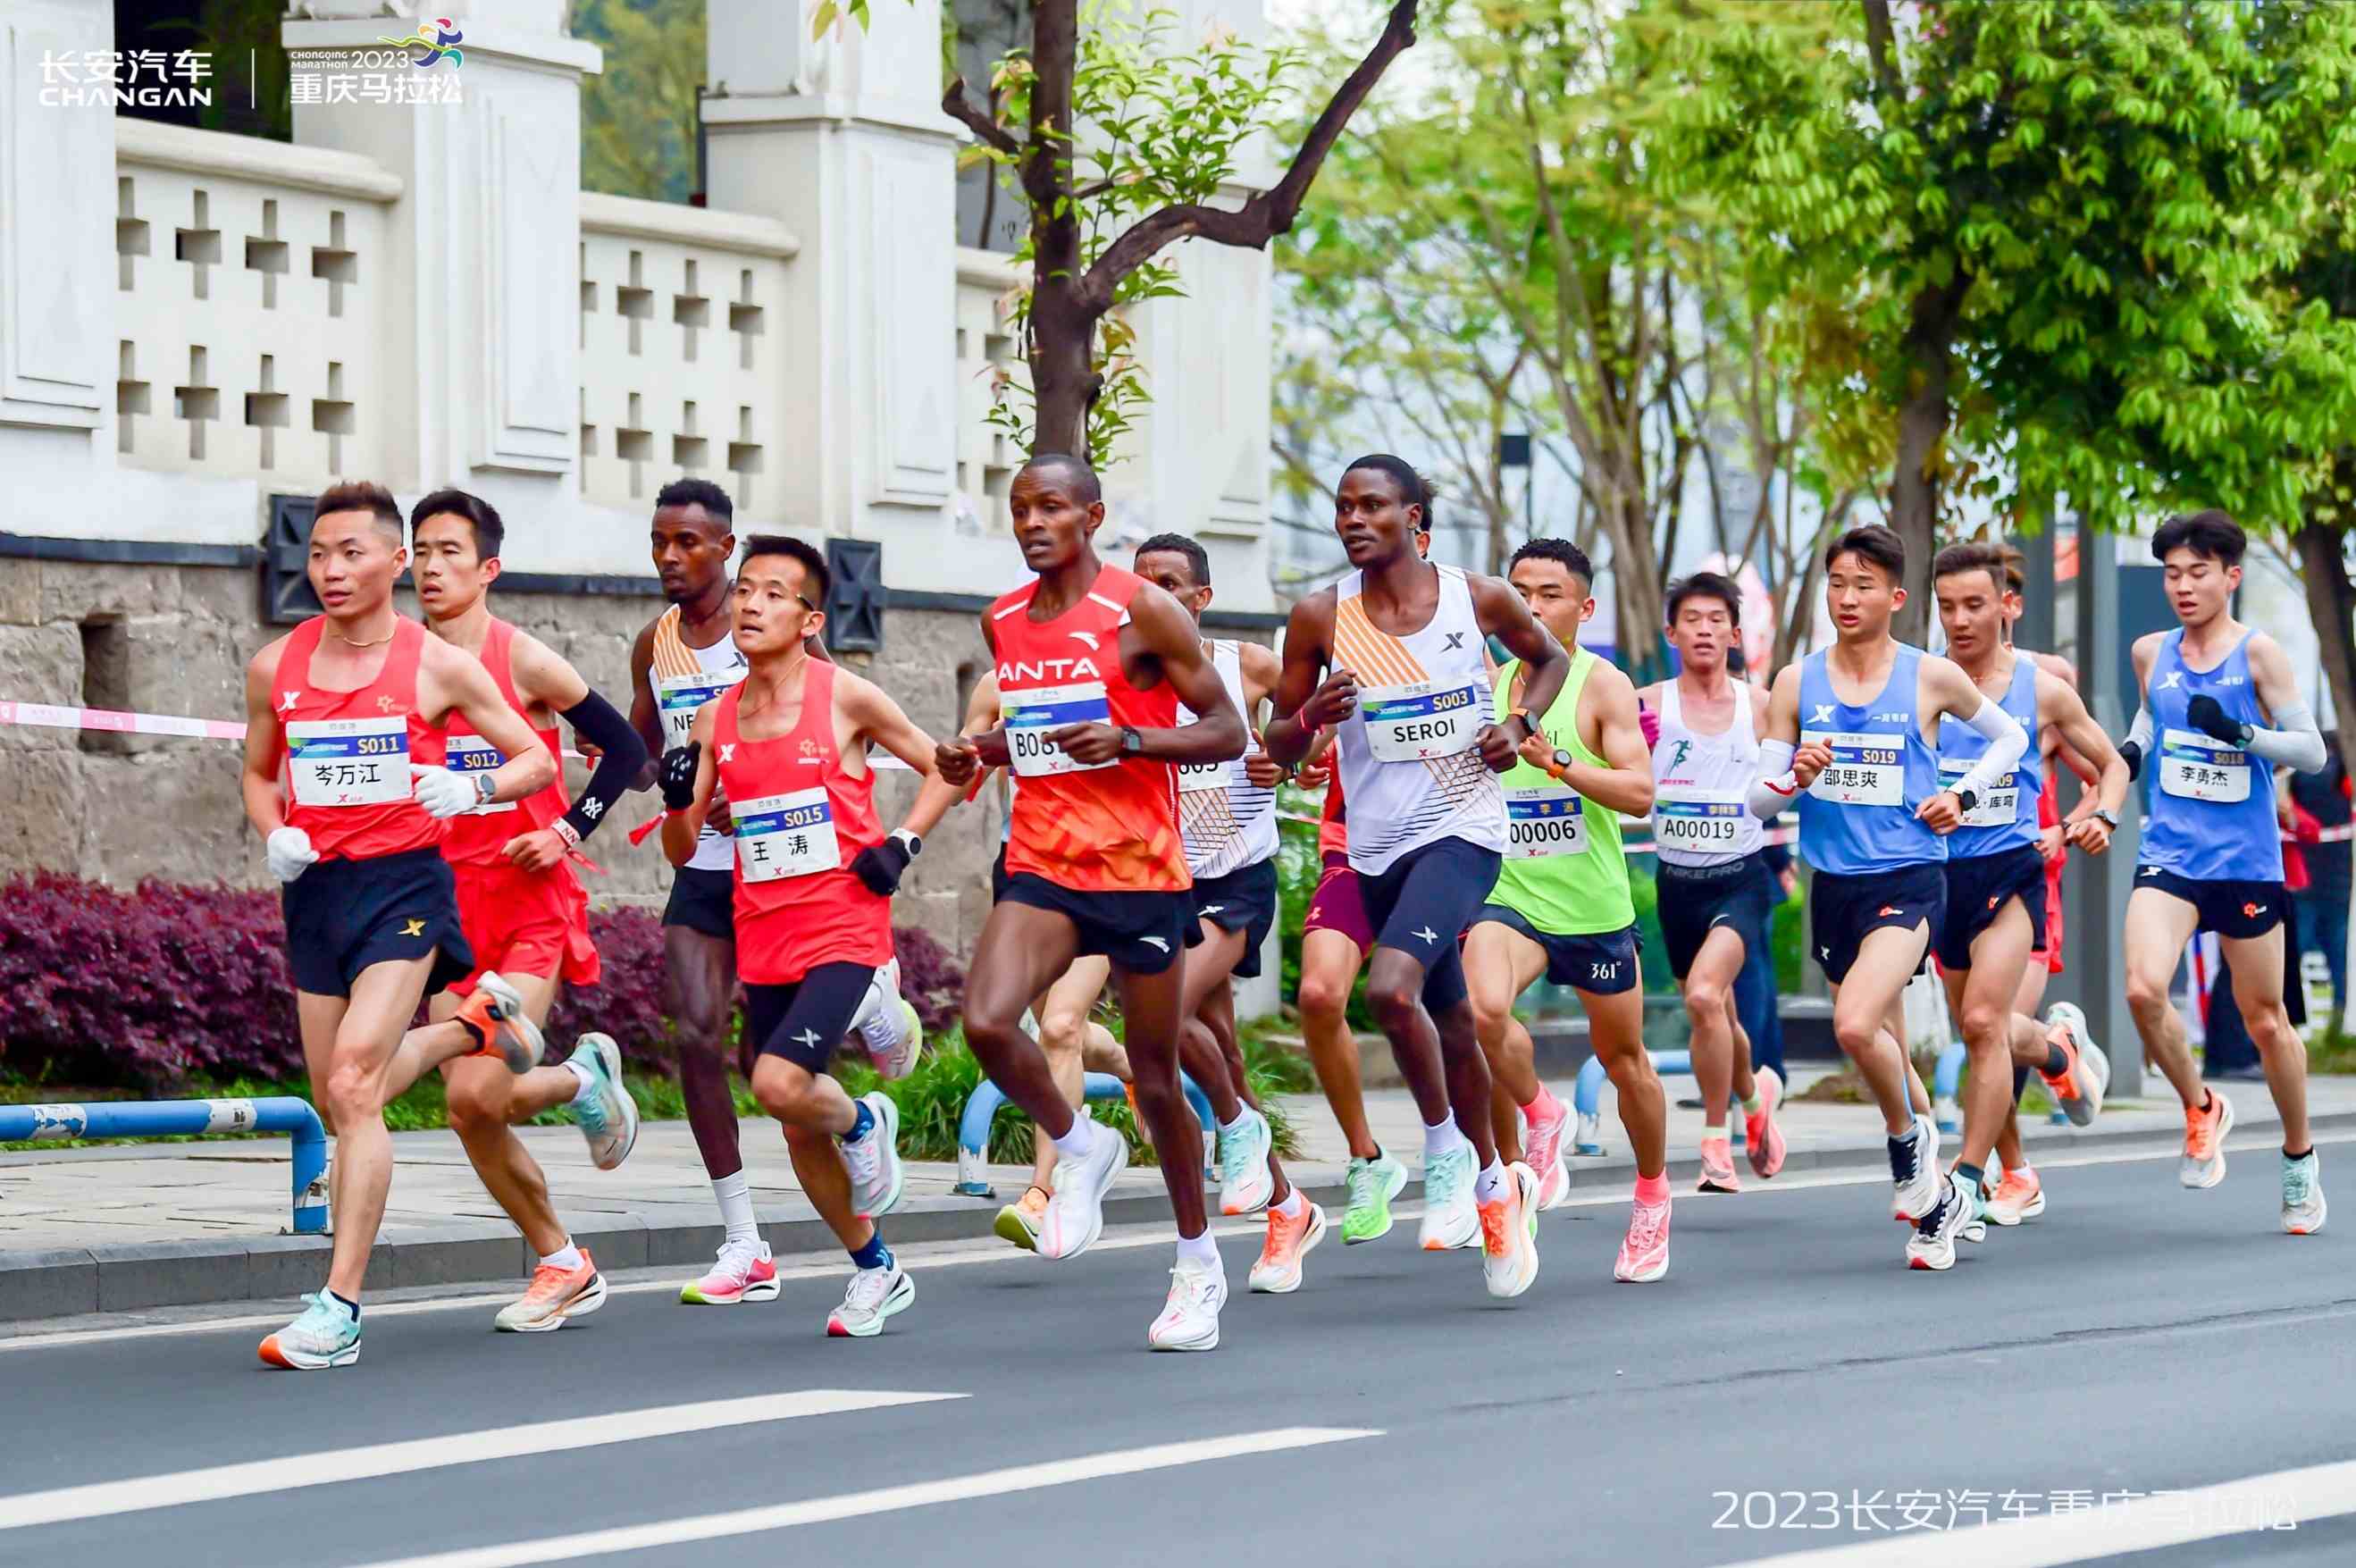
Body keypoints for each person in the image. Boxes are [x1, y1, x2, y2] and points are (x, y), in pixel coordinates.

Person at [935, 454, 1249, 1351]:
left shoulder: (1138, 608)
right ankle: (1078, 1148)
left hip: (1140, 870)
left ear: (1092, 516)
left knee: (1155, 1078)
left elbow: (1226, 729)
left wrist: (1133, 737)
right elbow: (1035, 735)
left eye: (1053, 509)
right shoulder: (1001, 619)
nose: (1034, 523)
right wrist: (981, 754)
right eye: (1021, 509)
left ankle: (1196, 1263)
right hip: (1043, 857)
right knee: (990, 1023)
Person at [244, 481, 558, 1369]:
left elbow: (537, 757)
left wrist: (474, 788)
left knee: (352, 1081)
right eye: (318, 554)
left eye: (352, 553)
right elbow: (258, 774)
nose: (332, 570)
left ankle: (339, 1307)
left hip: (405, 889)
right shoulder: (278, 665)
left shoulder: (436, 664)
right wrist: (277, 832)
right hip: (316, 891)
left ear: (394, 561)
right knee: (341, 1098)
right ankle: (476, 1027)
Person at [1263, 456, 1571, 1301]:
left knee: (1390, 988)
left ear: (1414, 517)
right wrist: (1309, 717)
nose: (1355, 519)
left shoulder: (1475, 599)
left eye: (1374, 505)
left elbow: (1547, 661)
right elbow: (1275, 745)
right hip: (1374, 846)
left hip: (1463, 831)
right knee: (1451, 1018)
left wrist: (1520, 720)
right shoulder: (1320, 615)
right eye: (1343, 507)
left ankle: (1443, 1146)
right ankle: (1495, 1185)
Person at [627, 480, 918, 1306]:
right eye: (659, 541)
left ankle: (872, 995)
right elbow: (642, 743)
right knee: (694, 1034)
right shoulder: (657, 642)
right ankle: (744, 1238)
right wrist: (662, 777)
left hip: (794, 877)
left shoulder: (791, 644)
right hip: (709, 864)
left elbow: (829, 741)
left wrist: (883, 847)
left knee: (778, 1078)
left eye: (688, 542)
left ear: (727, 549)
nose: (670, 557)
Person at [400, 490, 648, 1332]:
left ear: (487, 569)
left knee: (480, 1091)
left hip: (528, 906)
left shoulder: (523, 659)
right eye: (420, 551)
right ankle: (562, 1253)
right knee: (469, 1105)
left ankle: (580, 1085)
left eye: (449, 552)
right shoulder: (405, 667)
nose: (431, 567)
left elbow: (626, 750)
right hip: (445, 911)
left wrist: (567, 832)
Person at [1752, 524, 2027, 1266]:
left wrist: (1962, 795)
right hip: (1833, 884)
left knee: (1851, 1024)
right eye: (1836, 583)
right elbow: (1756, 802)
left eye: (1863, 584)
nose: (1846, 597)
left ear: (1896, 597)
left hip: (1908, 877)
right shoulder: (1793, 681)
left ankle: (1908, 1141)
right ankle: (1935, 1205)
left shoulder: (1928, 676)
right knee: (1888, 1049)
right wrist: (1792, 777)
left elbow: (2011, 739)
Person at [1458, 540, 1666, 1285]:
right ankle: (1540, 1115)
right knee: (1481, 1012)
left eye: (1549, 593)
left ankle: (1650, 1195)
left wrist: (1557, 764)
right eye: (1520, 591)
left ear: (1583, 608)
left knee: (1625, 1061)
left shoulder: (1603, 686)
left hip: (1591, 904)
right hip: (1509, 891)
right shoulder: (1486, 684)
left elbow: (1640, 794)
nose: (1532, 605)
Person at [2117, 510, 2327, 1233]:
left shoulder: (2259, 656)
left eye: (2197, 572)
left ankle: (2298, 1158)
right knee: (2143, 988)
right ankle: (2200, 1107)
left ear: (2229, 577)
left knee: (2264, 1021)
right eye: (2172, 573)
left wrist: (2239, 732)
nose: (2182, 586)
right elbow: (2151, 719)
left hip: (2243, 863)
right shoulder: (2150, 651)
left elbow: (2310, 752)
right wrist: (2129, 752)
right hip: (2170, 852)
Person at [1921, 541, 2127, 1268]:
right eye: (1945, 607)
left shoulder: (2039, 690)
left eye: (1974, 604)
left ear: (2007, 606)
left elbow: (2109, 763)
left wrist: (2098, 815)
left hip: (2014, 876)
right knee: (1983, 1037)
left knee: (1983, 1021)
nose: (1959, 620)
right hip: (1940, 883)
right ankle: (2052, 1067)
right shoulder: (1922, 683)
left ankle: (1966, 1181)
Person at [1131, 532, 1322, 1293]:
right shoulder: (1128, 675)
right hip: (1164, 879)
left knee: (1165, 1010)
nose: (1153, 595)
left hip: (1236, 876)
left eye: (1169, 582)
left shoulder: (1246, 663)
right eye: (1141, 582)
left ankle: (1238, 1135)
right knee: (1220, 1049)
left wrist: (1289, 757)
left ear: (1199, 598)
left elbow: (1309, 729)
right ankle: (1286, 1204)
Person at [905, 670, 1128, 1252]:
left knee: (1058, 1027)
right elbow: (958, 776)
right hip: (1026, 870)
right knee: (1063, 1031)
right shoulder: (995, 686)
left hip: (1106, 868)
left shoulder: (1114, 674)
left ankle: (1044, 1191)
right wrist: (945, 778)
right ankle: (1130, 1069)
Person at [1637, 572, 1788, 1195]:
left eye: (1715, 619)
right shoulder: (1644, 703)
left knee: (1703, 997)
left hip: (1740, 879)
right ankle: (1755, 1100)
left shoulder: (1761, 705)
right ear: (1671, 631)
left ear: (1734, 631)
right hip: (1677, 884)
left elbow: (1788, 780)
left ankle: (1714, 1141)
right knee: (1718, 1014)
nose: (1703, 629)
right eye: (1690, 619)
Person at [2287, 745, 2351, 1026]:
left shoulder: (2297, 767)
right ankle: (2336, 1020)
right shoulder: (2339, 765)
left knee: (2314, 953)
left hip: (2321, 880)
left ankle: (2327, 1021)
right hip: (2323, 881)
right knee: (2336, 957)